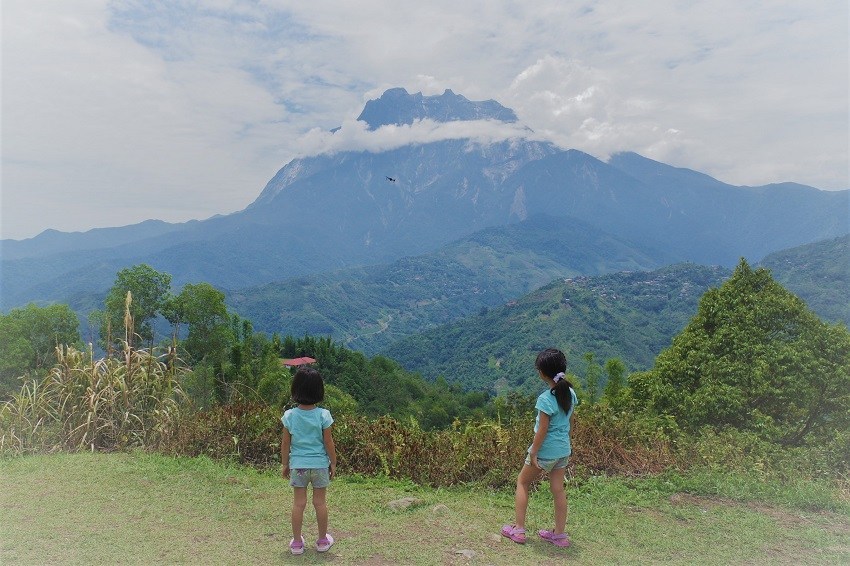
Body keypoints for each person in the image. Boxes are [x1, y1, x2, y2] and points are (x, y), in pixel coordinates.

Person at [501, 348, 577, 548]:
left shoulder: (545, 399)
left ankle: (518, 529)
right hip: (563, 450)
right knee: (558, 490)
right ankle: (559, 535)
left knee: (523, 482)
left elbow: (542, 430)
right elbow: (569, 422)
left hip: (545, 451)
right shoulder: (570, 393)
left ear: (542, 373)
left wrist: (533, 451)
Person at [281, 366, 337, 555]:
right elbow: (328, 442)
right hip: (320, 465)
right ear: (319, 391)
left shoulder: (289, 416)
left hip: (298, 466)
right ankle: (322, 541)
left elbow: (285, 444)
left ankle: (297, 544)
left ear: (295, 390)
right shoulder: (323, 415)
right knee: (319, 503)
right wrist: (334, 462)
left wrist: (285, 464)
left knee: (299, 504)